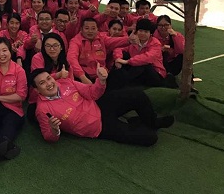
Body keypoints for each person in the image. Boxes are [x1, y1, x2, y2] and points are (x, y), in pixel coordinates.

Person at [30, 66, 174, 145]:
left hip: (99, 105)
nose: (49, 83)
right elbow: (49, 136)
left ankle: (153, 121)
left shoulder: (65, 82)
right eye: (42, 83)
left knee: (137, 94)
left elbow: (92, 93)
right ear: (37, 90)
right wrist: (54, 129)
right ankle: (136, 122)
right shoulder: (42, 110)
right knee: (150, 138)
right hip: (97, 128)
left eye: (49, 78)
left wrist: (101, 80)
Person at [67, 18, 134, 84]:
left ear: (97, 29)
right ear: (81, 29)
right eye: (87, 28)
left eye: (93, 28)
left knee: (121, 74)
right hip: (84, 75)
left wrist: (128, 40)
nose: (90, 31)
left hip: (102, 74)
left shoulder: (101, 38)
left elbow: (113, 41)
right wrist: (82, 77)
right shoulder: (75, 41)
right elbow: (71, 59)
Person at [108, 19, 167, 90]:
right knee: (124, 56)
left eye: (146, 32)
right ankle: (110, 81)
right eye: (140, 31)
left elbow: (147, 58)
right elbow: (119, 49)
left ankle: (123, 81)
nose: (143, 33)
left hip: (155, 73)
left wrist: (127, 61)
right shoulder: (135, 41)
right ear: (137, 31)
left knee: (143, 64)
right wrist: (118, 59)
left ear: (150, 33)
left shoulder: (155, 43)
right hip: (137, 72)